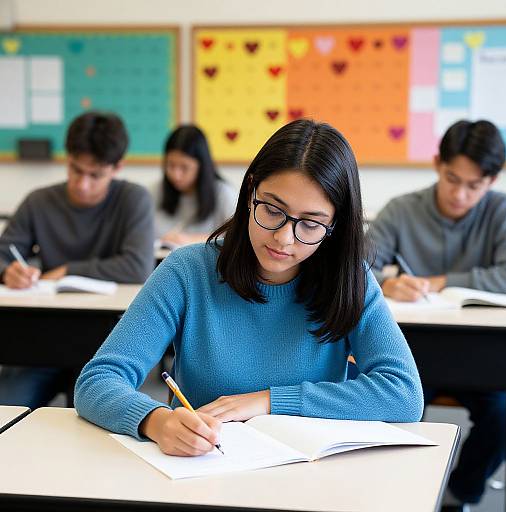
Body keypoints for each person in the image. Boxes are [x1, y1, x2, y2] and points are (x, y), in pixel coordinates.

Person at [75, 119, 423, 457]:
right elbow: (97, 381)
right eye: (272, 210)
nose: (284, 238)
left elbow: (404, 393)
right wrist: (155, 421)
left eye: (311, 224)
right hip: (205, 468)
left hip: (308, 475)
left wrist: (268, 401)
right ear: (250, 191)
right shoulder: (188, 270)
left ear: (335, 224)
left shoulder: (351, 279)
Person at [366, 119, 506, 511]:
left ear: (492, 180)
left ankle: (459, 496)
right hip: (416, 355)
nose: (460, 194)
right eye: (452, 178)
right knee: (392, 409)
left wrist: (438, 281)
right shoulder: (401, 209)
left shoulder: (503, 212)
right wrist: (386, 283)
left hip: (483, 358)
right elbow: (356, 265)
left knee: (503, 415)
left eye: (474, 185)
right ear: (436, 163)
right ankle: (396, 495)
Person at [0, 111, 155, 409]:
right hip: (40, 340)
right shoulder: (39, 201)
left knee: (88, 415)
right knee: (7, 406)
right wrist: (9, 272)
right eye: (75, 169)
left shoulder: (133, 199)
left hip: (103, 344)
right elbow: (3, 253)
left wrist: (67, 270)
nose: (82, 183)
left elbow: (137, 266)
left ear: (117, 167)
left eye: (95, 174)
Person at [152, 125, 237, 247]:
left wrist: (189, 240)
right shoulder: (155, 191)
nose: (176, 175)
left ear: (201, 166)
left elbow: (238, 236)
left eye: (184, 167)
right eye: (170, 165)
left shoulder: (224, 194)